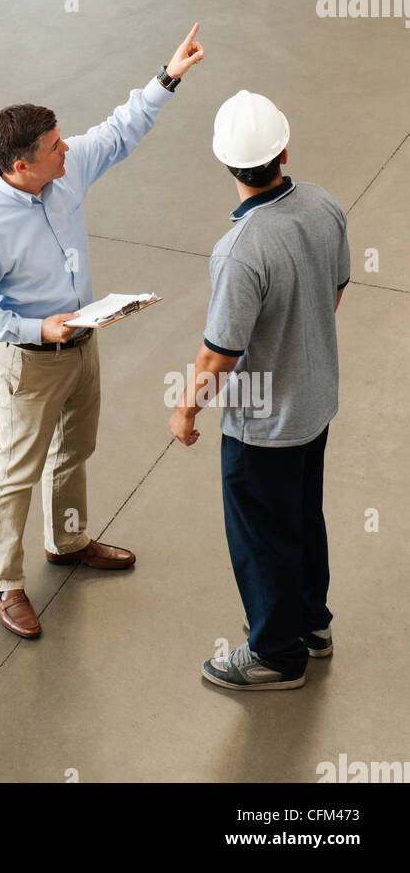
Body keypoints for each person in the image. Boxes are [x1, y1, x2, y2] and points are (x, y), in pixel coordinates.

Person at [0, 25, 205, 639]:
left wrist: (167, 78)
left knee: (74, 450)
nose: (69, 151)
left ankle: (66, 542)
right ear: (20, 165)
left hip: (83, 346)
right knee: (16, 469)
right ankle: (5, 582)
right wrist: (40, 327)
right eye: (56, 147)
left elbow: (118, 132)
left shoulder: (62, 175)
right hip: (30, 362)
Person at [170, 91, 349, 691]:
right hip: (315, 402)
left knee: (261, 535)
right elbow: (335, 291)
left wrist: (186, 406)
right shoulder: (324, 206)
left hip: (263, 425)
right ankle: (312, 624)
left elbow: (219, 352)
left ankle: (276, 652)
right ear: (283, 151)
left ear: (225, 165)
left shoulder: (241, 250)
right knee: (302, 514)